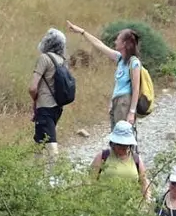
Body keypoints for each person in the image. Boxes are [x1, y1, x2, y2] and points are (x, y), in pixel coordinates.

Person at [64, 20, 143, 132]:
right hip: (117, 101)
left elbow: (136, 89)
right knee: (115, 135)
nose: (115, 41)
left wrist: (132, 112)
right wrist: (82, 31)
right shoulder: (120, 58)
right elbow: (99, 44)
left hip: (124, 102)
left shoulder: (134, 63)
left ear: (124, 43)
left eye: (118, 39)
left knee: (122, 136)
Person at [28, 28, 68, 161]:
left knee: (51, 146)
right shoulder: (62, 60)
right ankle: (35, 174)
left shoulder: (44, 58)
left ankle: (52, 179)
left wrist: (35, 99)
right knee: (39, 142)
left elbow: (33, 87)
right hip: (58, 107)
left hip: (45, 107)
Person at [90, 121, 150, 202]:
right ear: (113, 143)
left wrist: (146, 202)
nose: (123, 147)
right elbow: (90, 181)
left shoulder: (136, 159)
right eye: (120, 144)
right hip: (103, 208)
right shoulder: (103, 156)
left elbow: (144, 183)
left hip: (132, 209)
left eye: (125, 145)